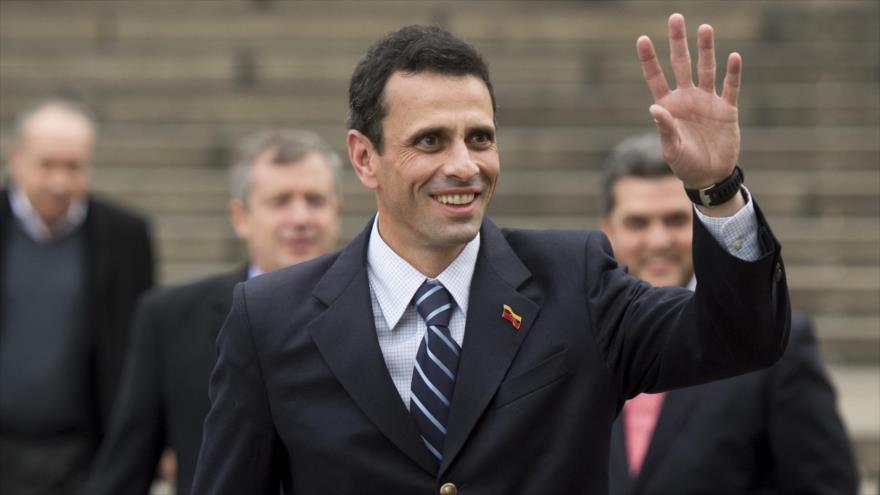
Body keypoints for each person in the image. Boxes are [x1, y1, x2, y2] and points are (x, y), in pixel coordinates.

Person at [193, 15, 792, 494]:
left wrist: (716, 190)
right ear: (363, 157)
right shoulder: (269, 318)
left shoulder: (576, 279)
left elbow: (741, 338)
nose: (465, 165)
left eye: (479, 137)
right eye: (430, 141)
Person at [87, 129, 342, 495]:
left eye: (315, 200)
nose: (300, 217)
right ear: (240, 217)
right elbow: (125, 472)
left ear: (336, 210)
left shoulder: (381, 307)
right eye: (280, 201)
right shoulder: (170, 318)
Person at [601, 133, 858, 494]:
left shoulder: (776, 343)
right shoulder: (579, 333)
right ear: (607, 230)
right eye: (638, 223)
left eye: (675, 220)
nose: (658, 241)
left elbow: (825, 485)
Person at [0, 99, 154, 494]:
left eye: (73, 167)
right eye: (47, 165)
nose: (59, 182)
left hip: (83, 456)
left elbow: (140, 345)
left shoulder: (126, 237)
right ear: (16, 160)